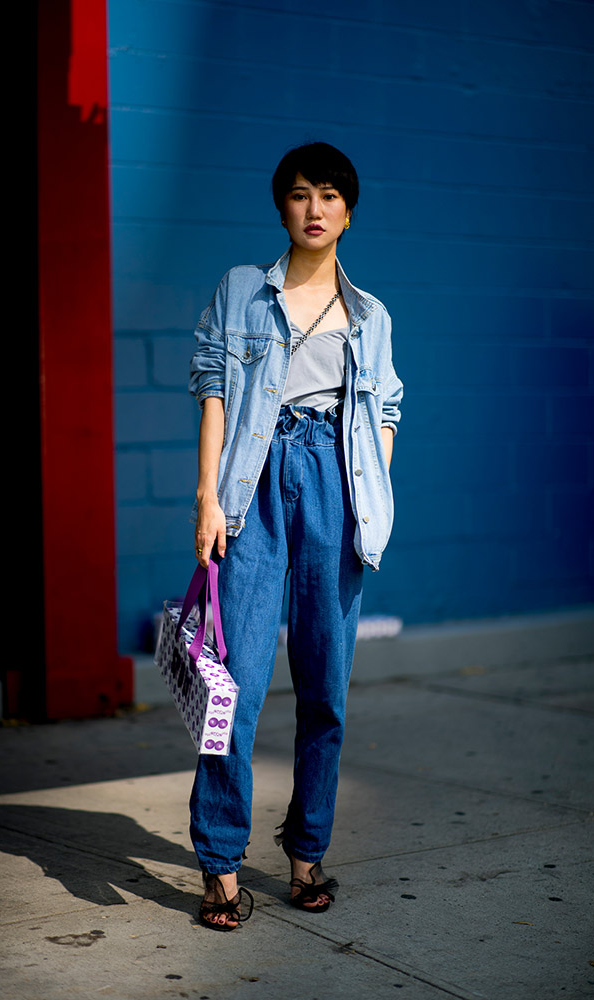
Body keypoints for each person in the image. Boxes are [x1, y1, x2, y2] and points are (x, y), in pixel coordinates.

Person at [188, 142, 403, 930]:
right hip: (252, 484)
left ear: (348, 210)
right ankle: (218, 862)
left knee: (325, 690)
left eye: (330, 195)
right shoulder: (242, 291)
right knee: (231, 689)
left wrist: (366, 492)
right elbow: (213, 387)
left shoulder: (370, 314)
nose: (315, 208)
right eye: (300, 194)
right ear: (281, 205)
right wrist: (208, 496)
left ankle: (306, 852)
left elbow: (386, 407)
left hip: (333, 493)